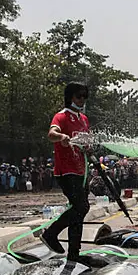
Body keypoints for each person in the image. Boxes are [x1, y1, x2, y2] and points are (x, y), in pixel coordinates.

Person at [40, 82, 92, 260]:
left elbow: (86, 142)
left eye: (85, 96)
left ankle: (74, 254)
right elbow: (51, 133)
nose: (82, 100)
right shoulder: (61, 116)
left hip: (81, 171)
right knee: (81, 206)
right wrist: (61, 137)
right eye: (79, 96)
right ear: (70, 97)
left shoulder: (83, 119)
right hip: (66, 171)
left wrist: (89, 149)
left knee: (79, 211)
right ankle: (51, 234)